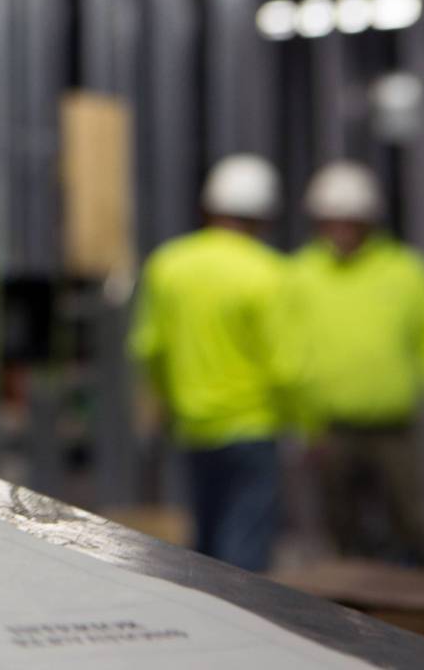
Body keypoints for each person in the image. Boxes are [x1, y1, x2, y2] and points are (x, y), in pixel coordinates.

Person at [285, 160, 424, 566]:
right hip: (330, 428)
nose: (342, 230)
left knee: (411, 523)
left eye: (352, 221)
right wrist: (303, 422)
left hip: (394, 427)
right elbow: (290, 352)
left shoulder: (407, 272)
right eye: (333, 221)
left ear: (369, 221)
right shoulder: (300, 274)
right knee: (340, 529)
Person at [129, 154, 294, 572]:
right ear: (265, 216)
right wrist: (303, 422)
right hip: (253, 426)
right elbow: (288, 365)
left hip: (192, 426)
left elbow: (150, 349)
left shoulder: (169, 264)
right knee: (245, 549)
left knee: (205, 541)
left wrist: (163, 404)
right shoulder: (271, 273)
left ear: (208, 208)